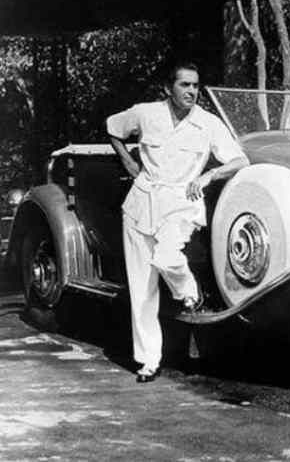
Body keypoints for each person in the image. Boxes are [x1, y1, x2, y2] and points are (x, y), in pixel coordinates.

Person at [106, 62, 249, 383]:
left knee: (167, 257)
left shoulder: (207, 124)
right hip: (142, 203)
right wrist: (129, 162)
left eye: (196, 86)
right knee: (142, 289)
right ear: (167, 88)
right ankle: (148, 360)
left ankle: (189, 293)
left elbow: (240, 159)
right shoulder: (146, 113)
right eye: (184, 85)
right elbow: (113, 127)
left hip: (182, 203)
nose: (192, 92)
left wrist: (211, 173)